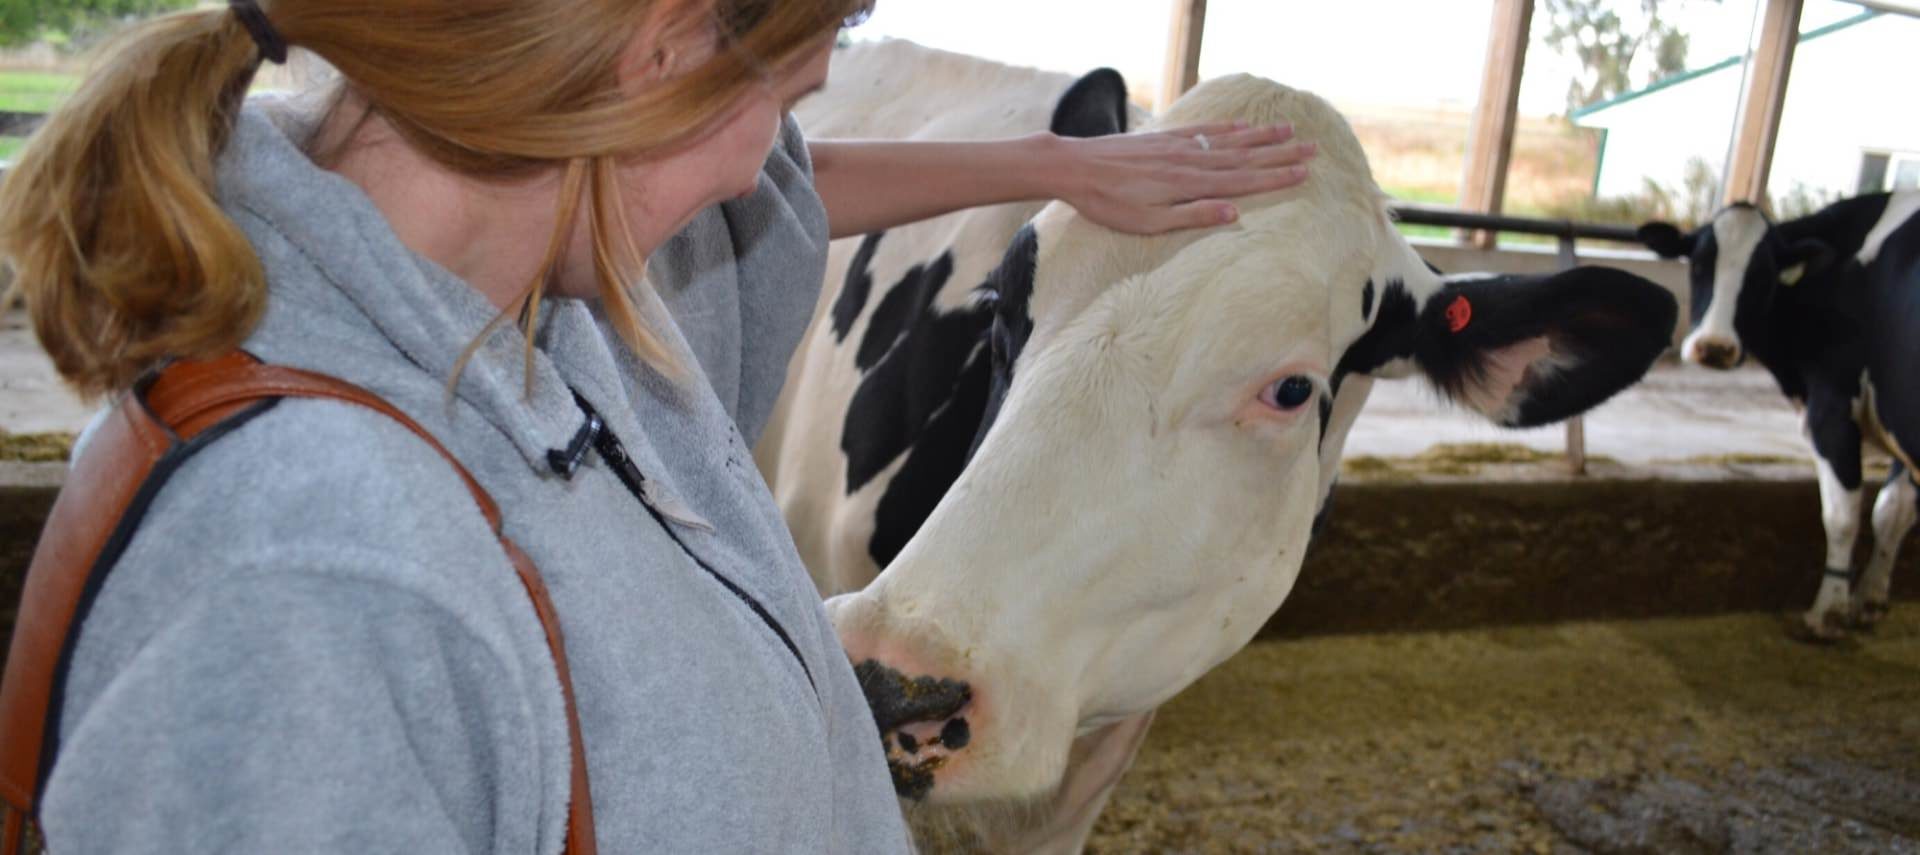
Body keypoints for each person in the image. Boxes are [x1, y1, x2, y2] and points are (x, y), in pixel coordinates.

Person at [0, 0, 1314, 850]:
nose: (766, 169)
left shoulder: (581, 326)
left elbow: (789, 193)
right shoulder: (319, 569)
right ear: (659, 52)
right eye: (787, 101)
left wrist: (1054, 169)